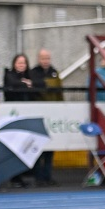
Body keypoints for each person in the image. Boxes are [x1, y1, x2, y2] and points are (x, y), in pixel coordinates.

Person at [29, 49, 62, 186]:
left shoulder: (54, 72)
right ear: (38, 59)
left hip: (52, 112)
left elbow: (58, 91)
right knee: (38, 148)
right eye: (43, 58)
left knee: (50, 147)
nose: (45, 61)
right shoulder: (33, 72)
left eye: (47, 58)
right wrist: (46, 84)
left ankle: (48, 176)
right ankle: (38, 177)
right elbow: (35, 89)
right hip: (38, 112)